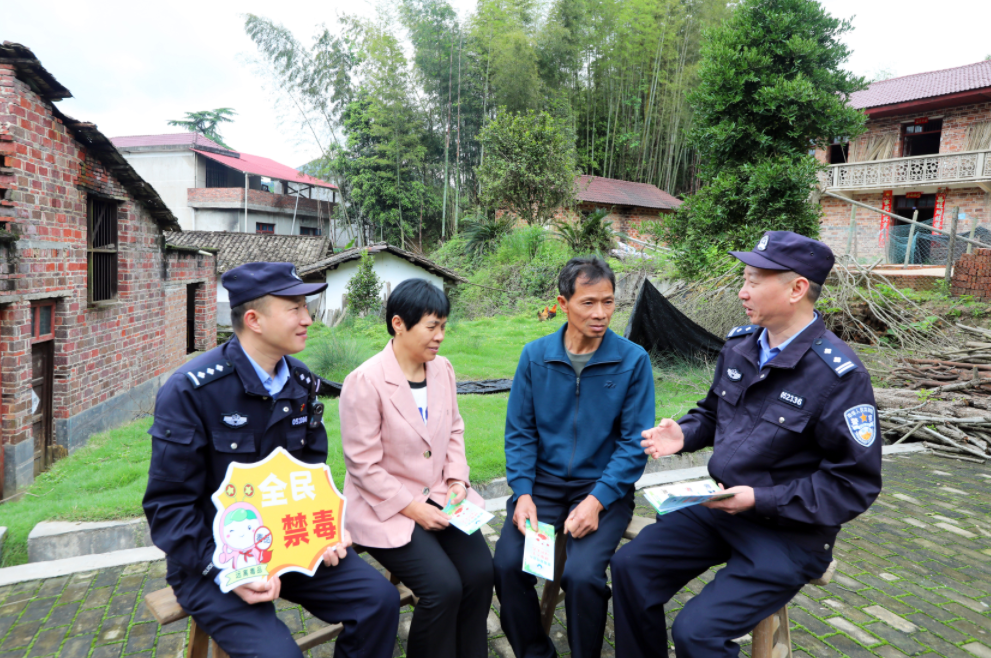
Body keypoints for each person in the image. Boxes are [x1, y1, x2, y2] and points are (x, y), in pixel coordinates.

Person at [611, 231, 883, 658]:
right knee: (630, 567)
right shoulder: (741, 345)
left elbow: (853, 485)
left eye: (754, 281)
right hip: (722, 507)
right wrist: (684, 433)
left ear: (797, 289)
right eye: (745, 279)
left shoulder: (839, 376)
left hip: (791, 533)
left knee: (696, 632)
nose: (743, 291)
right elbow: (712, 414)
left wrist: (761, 498)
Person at [142, 262, 400, 658]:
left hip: (289, 539)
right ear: (254, 320)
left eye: (305, 307)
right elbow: (168, 507)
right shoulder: (191, 391)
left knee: (378, 601)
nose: (308, 319)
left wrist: (326, 531)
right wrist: (225, 569)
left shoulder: (301, 382)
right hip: (213, 557)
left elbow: (310, 473)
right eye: (295, 308)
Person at [493, 257, 656, 658]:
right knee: (508, 565)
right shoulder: (535, 356)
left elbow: (633, 444)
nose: (600, 313)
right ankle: (536, 652)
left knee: (582, 577)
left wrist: (597, 500)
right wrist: (523, 492)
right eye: (588, 303)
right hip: (542, 488)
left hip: (602, 489)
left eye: (608, 302)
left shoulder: (633, 360)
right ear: (563, 304)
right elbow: (520, 433)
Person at [339, 278, 494, 658]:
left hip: (441, 495)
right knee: (443, 588)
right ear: (398, 324)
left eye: (443, 326)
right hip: (388, 505)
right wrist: (413, 508)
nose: (440, 336)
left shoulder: (443, 369)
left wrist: (457, 479)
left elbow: (454, 428)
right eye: (432, 327)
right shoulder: (365, 381)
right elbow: (362, 465)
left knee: (480, 573)